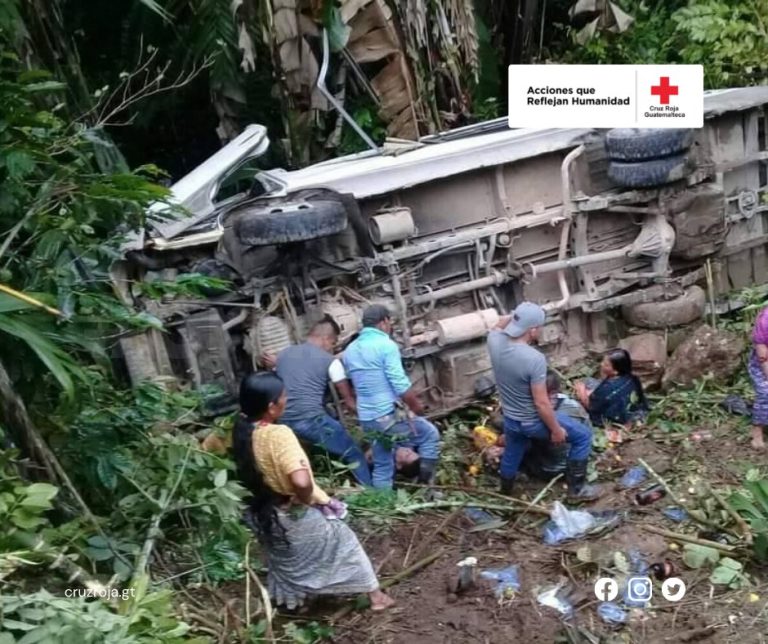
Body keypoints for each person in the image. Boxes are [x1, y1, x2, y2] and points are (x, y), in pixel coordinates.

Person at [232, 371, 394, 611]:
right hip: (290, 510)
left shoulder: (241, 430)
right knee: (344, 540)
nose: (287, 399)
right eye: (284, 396)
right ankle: (376, 598)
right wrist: (305, 498)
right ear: (271, 407)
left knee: (286, 556)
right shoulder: (277, 434)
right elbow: (300, 479)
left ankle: (297, 600)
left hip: (262, 513)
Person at [486, 301, 600, 499]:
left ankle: (505, 492)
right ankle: (576, 489)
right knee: (582, 437)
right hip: (532, 421)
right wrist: (556, 430)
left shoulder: (494, 341)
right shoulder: (534, 358)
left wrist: (515, 317)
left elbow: (498, 324)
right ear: (533, 330)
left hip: (511, 419)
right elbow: (541, 402)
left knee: (513, 452)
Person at [343, 305, 441, 489]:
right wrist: (417, 409)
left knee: (383, 463)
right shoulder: (386, 345)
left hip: (367, 418)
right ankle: (427, 486)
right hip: (386, 415)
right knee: (429, 434)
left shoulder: (350, 350)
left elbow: (354, 384)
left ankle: (385, 506)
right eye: (389, 323)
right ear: (384, 322)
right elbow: (400, 384)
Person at [274, 317, 372, 486]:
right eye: (333, 343)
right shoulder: (331, 361)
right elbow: (349, 403)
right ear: (325, 338)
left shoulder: (283, 355)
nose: (332, 348)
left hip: (282, 420)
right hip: (309, 420)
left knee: (328, 420)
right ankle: (372, 493)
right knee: (353, 452)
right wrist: (372, 422)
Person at [573, 348, 649, 428]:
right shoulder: (633, 378)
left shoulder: (606, 389)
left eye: (606, 365)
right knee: (590, 382)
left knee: (576, 402)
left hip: (612, 419)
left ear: (615, 371)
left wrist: (581, 391)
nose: (601, 364)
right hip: (632, 410)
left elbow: (590, 406)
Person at [749, 307, 768, 449]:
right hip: (762, 366)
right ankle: (757, 433)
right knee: (765, 392)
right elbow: (762, 355)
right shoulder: (765, 320)